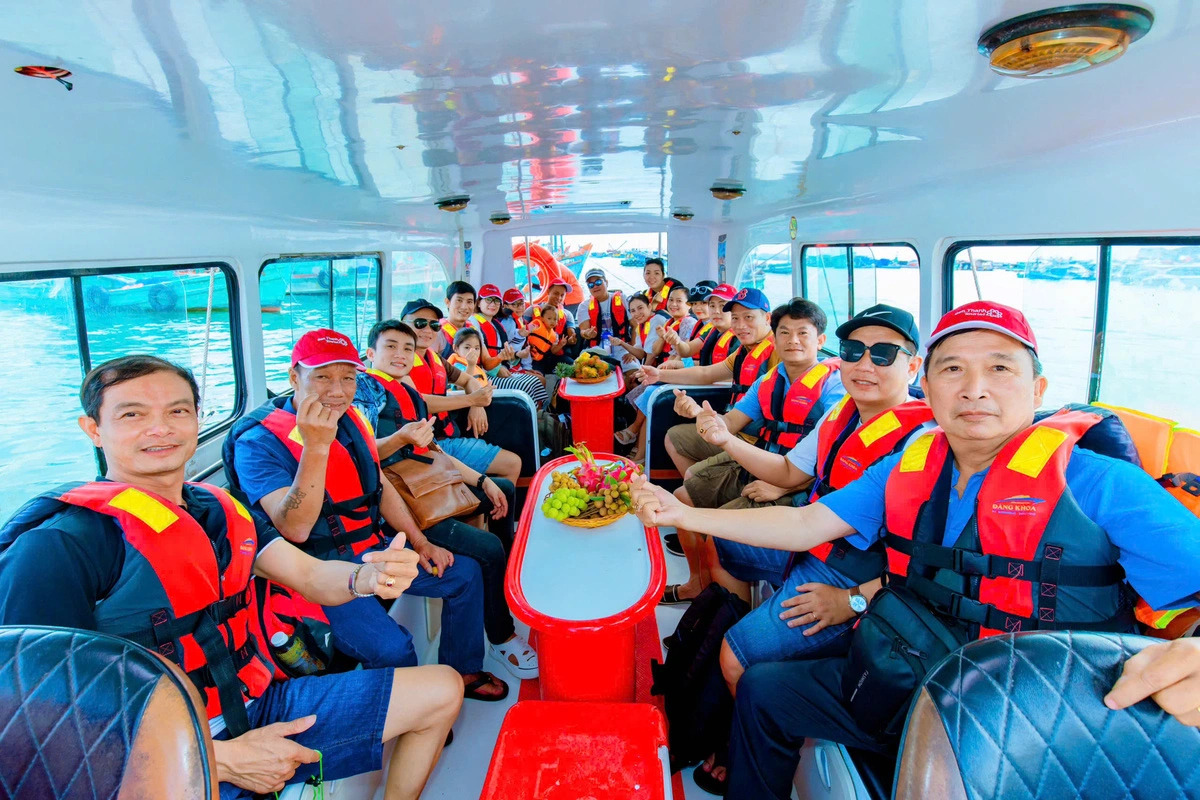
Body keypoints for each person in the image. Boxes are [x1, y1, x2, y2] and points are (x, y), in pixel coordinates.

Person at [631, 301, 1200, 799]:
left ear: (1038, 390)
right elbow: (807, 524)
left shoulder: (1100, 485)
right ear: (929, 384)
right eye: (953, 369)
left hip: (1038, 713)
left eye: (999, 369)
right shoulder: (907, 466)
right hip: (909, 665)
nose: (974, 388)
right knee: (764, 688)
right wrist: (681, 513)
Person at [0, 355, 461, 800]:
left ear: (198, 419)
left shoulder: (218, 510)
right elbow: (31, 726)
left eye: (177, 411)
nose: (160, 428)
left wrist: (367, 577)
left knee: (442, 689)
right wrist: (216, 759)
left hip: (255, 703)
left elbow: (312, 575)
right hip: (155, 754)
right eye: (133, 414)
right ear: (94, 430)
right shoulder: (59, 545)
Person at [686, 304, 932, 794]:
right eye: (854, 351)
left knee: (736, 661)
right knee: (726, 543)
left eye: (884, 353)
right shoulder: (841, 415)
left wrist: (853, 600)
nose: (865, 364)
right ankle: (752, 629)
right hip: (817, 544)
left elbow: (924, 564)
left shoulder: (921, 444)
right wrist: (724, 439)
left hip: (853, 575)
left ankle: (751, 741)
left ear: (913, 366)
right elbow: (788, 475)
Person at [227, 329, 509, 701]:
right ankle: (414, 718)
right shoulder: (258, 443)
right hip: (318, 572)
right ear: (294, 376)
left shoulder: (353, 419)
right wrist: (316, 446)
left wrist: (421, 542)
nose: (338, 390)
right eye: (323, 376)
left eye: (348, 377)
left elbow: (380, 485)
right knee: (393, 649)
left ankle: (464, 670)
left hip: (372, 547)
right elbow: (293, 529)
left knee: (465, 574)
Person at [358, 320, 537, 679]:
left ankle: (502, 588)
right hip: (400, 501)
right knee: (486, 548)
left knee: (501, 488)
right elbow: (362, 455)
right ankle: (501, 636)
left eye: (407, 349)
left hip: (427, 479)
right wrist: (402, 439)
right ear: (370, 354)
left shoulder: (407, 392)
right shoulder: (366, 391)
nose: (400, 354)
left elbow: (435, 449)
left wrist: (482, 479)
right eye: (390, 347)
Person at [660, 299, 845, 605]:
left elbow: (831, 456)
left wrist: (781, 484)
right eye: (784, 333)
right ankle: (699, 584)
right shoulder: (771, 379)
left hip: (800, 485)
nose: (793, 341)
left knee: (720, 538)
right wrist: (699, 415)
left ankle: (732, 616)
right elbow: (730, 423)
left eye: (803, 333)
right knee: (683, 497)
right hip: (762, 460)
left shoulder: (835, 387)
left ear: (821, 341)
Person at [640, 287, 778, 479]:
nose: (740, 325)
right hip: (734, 427)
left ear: (767, 319)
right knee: (673, 437)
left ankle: (700, 486)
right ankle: (704, 487)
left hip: (756, 441)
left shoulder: (777, 352)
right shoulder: (743, 351)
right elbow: (706, 373)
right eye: (736, 318)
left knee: (691, 479)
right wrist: (659, 376)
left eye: (748, 317)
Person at [401, 299, 522, 484]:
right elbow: (418, 401)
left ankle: (484, 511)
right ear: (403, 325)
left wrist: (477, 405)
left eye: (433, 325)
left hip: (446, 437)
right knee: (512, 464)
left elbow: (468, 379)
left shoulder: (435, 358)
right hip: (425, 446)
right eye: (419, 323)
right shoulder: (399, 361)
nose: (427, 330)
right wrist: (472, 401)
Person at [468, 283, 549, 408]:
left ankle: (536, 417)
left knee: (536, 382)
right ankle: (531, 418)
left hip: (502, 367)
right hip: (486, 375)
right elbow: (481, 357)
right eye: (488, 299)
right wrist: (497, 369)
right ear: (478, 303)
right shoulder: (474, 322)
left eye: (496, 301)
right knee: (526, 386)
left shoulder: (496, 324)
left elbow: (507, 354)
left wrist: (514, 357)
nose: (493, 304)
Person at [663, 283, 739, 368]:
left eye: (722, 306)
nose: (716, 311)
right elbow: (687, 350)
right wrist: (677, 342)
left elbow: (715, 373)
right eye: (712, 305)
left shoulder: (739, 337)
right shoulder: (711, 332)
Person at [524, 279, 577, 371]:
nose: (559, 298)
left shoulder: (567, 315)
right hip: (535, 356)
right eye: (556, 293)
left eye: (562, 295)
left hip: (557, 355)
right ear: (548, 292)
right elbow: (521, 331)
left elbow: (571, 335)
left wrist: (572, 339)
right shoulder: (532, 310)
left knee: (575, 368)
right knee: (537, 378)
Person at [646, 284, 700, 366]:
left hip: (674, 369)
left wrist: (661, 372)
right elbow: (655, 351)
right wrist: (662, 337)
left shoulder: (689, 323)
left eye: (679, 301)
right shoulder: (668, 322)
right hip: (663, 366)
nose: (673, 304)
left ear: (689, 305)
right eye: (671, 300)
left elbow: (679, 355)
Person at [577, 267, 630, 349]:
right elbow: (583, 330)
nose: (595, 286)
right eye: (591, 285)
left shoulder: (622, 299)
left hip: (622, 346)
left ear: (606, 282)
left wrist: (632, 351)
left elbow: (635, 326)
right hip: (596, 348)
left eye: (598, 282)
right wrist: (587, 334)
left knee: (633, 362)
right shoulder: (584, 306)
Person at [438, 280, 477, 355]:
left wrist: (500, 357)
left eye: (469, 302)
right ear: (447, 302)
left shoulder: (473, 330)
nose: (464, 307)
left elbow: (486, 360)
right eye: (459, 300)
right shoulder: (437, 332)